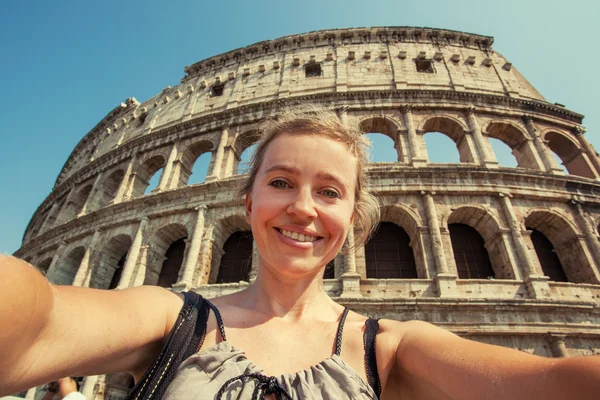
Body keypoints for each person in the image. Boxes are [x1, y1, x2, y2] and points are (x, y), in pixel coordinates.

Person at [1, 106, 599, 399]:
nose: (303, 209)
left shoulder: (390, 348)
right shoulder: (167, 319)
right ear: (248, 197)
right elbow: (37, 322)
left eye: (330, 192)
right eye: (281, 182)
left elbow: (554, 385)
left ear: (354, 217)